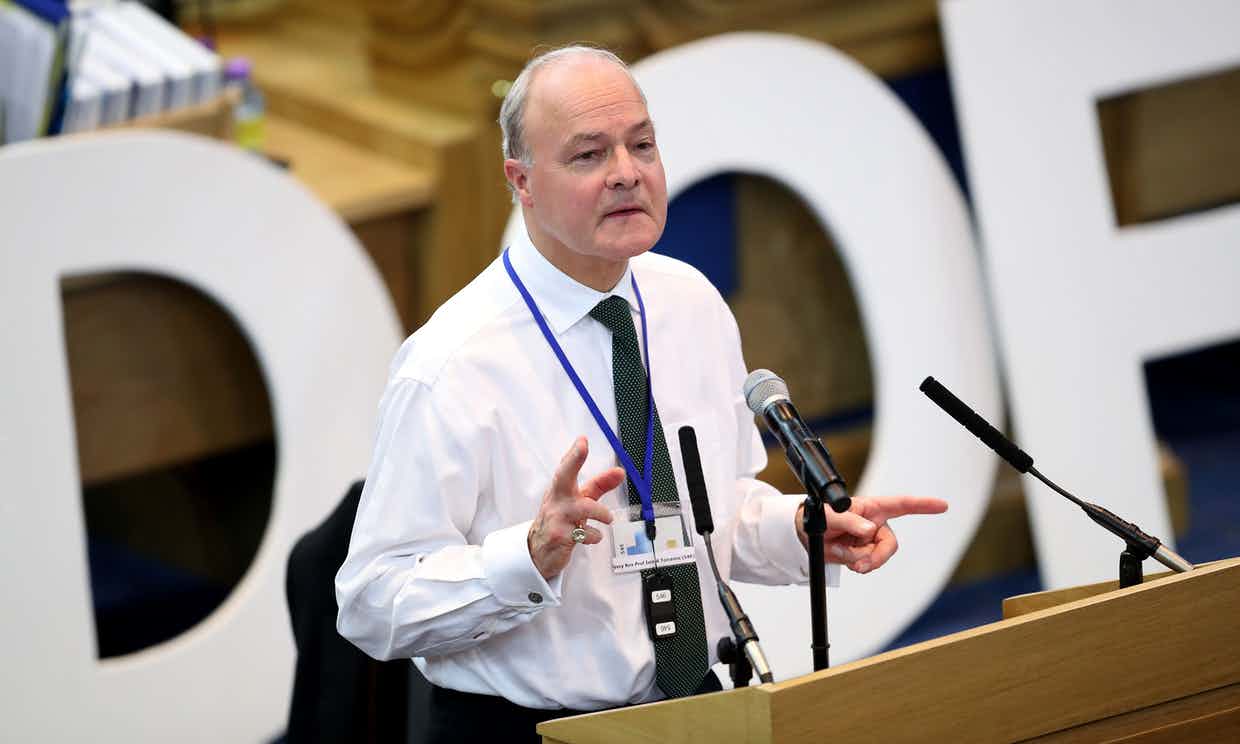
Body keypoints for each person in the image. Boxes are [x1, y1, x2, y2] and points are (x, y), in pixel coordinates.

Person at [335, 44, 948, 742]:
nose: (627, 173)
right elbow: (371, 602)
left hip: (698, 709)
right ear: (522, 180)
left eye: (642, 145)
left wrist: (801, 530)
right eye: (589, 155)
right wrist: (525, 558)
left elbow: (714, 509)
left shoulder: (690, 303)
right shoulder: (452, 364)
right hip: (525, 728)